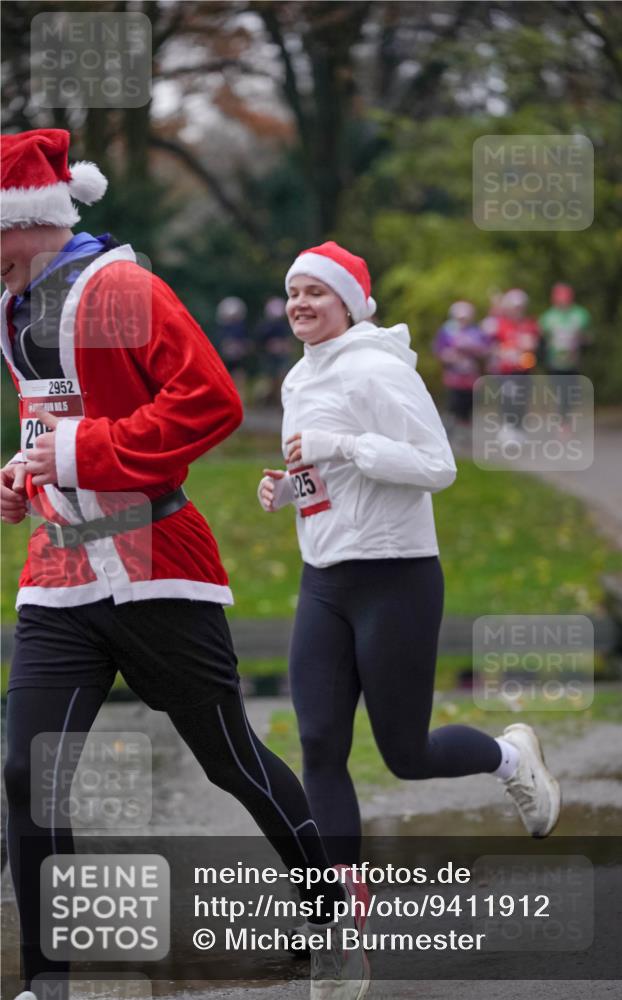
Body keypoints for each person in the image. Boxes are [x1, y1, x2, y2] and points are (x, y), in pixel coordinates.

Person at [0, 130, 367, 1000]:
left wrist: (78, 455)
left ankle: (332, 919)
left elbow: (211, 402)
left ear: (26, 221)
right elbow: (54, 417)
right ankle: (48, 983)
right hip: (60, 570)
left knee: (230, 759)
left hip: (155, 561)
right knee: (25, 773)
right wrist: (24, 472)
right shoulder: (14, 307)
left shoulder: (122, 288)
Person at [257, 242, 561, 872]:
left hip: (394, 578)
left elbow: (437, 466)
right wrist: (289, 487)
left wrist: (342, 444)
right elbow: (327, 471)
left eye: (316, 292)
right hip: (323, 579)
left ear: (348, 303)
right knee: (319, 743)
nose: (300, 304)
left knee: (406, 755)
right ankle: (342, 901)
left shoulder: (378, 370)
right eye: (293, 293)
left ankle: (512, 759)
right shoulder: (298, 377)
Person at [486, 288, 540, 441]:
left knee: (522, 398)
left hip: (523, 369)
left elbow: (534, 343)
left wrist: (529, 345)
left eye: (520, 307)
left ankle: (519, 428)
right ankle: (507, 427)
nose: (517, 310)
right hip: (505, 370)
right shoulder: (499, 324)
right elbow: (489, 342)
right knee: (508, 398)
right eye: (515, 307)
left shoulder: (529, 324)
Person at [432, 300, 490, 440]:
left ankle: (464, 431)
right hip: (454, 375)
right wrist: (449, 356)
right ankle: (449, 430)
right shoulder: (447, 330)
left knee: (468, 403)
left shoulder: (476, 331)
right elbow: (439, 350)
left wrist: (473, 350)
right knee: (454, 402)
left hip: (471, 375)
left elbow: (485, 350)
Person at [538, 282, 592, 429]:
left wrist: (581, 340)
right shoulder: (547, 317)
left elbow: (588, 337)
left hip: (573, 361)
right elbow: (541, 340)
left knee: (571, 392)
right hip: (554, 361)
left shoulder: (580, 314)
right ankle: (563, 421)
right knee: (560, 390)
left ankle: (565, 418)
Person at [253, 296, 293, 406]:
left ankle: (279, 401)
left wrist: (284, 346)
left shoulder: (284, 326)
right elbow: (259, 343)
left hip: (281, 357)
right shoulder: (265, 326)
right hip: (268, 357)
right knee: (267, 380)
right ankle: (263, 401)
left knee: (281, 378)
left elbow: (288, 342)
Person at [213, 295, 251, 398]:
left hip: (238, 360)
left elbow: (247, 344)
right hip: (224, 361)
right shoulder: (221, 329)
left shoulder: (242, 328)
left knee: (239, 380)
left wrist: (240, 348)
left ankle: (240, 400)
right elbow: (218, 345)